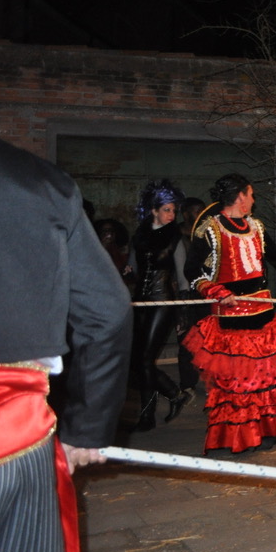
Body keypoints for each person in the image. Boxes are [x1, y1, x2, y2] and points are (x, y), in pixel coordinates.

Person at [0, 132, 132, 552]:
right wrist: (86, 429)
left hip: (16, 430)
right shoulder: (37, 180)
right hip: (18, 441)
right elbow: (108, 310)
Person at [184, 174, 276, 453]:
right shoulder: (210, 231)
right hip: (232, 325)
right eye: (251, 194)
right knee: (245, 386)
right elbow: (192, 271)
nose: (254, 200)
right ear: (240, 197)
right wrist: (211, 289)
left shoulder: (257, 228)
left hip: (266, 319)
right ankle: (259, 434)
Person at [129, 179, 187, 432]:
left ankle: (154, 409)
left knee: (143, 359)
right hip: (140, 301)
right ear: (153, 210)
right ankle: (169, 398)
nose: (172, 215)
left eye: (174, 210)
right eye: (166, 210)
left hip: (163, 300)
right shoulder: (140, 235)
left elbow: (182, 273)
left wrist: (183, 307)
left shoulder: (174, 236)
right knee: (137, 361)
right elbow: (132, 266)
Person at [168, 196, 206, 420]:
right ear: (185, 213)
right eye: (195, 211)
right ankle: (188, 384)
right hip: (183, 293)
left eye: (201, 210)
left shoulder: (205, 234)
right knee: (186, 339)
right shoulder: (176, 235)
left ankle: (210, 381)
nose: (199, 215)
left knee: (208, 337)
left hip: (204, 292)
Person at [94, 217, 135, 293]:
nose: (108, 233)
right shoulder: (94, 251)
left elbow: (128, 275)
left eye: (111, 230)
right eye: (105, 231)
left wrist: (126, 272)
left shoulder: (118, 252)